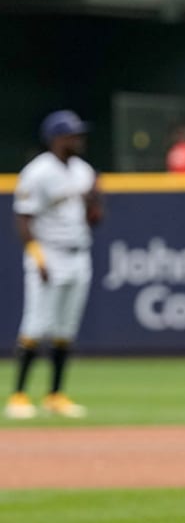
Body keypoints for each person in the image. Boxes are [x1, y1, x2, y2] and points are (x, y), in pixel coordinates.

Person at [6, 111, 104, 420]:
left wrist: (94, 201)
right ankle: (19, 396)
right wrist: (37, 256)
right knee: (35, 325)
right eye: (72, 135)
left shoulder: (84, 171)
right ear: (56, 139)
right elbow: (23, 218)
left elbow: (95, 220)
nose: (78, 140)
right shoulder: (37, 172)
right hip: (49, 254)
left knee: (65, 329)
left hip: (79, 253)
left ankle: (55, 395)